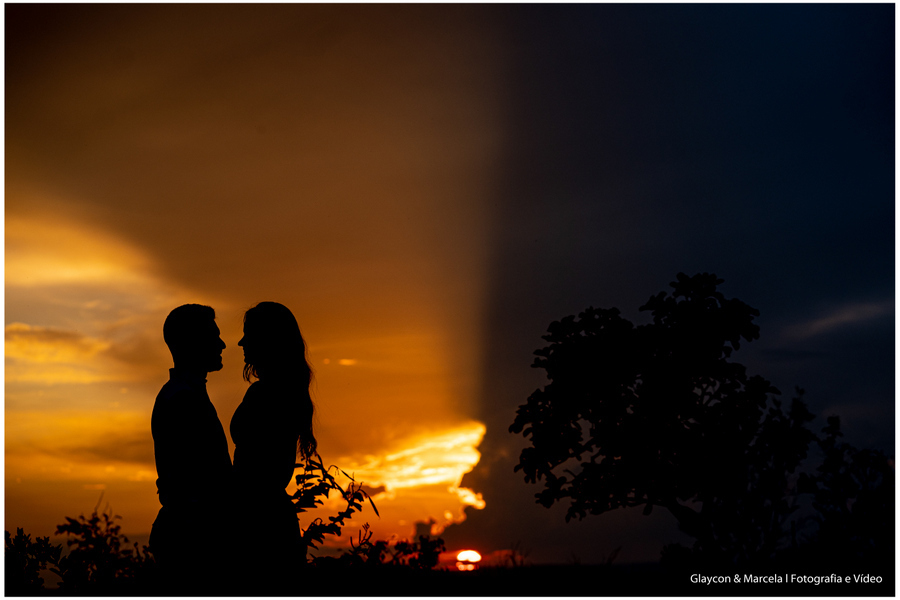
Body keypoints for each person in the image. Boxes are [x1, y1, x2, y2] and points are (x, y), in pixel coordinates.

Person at [231, 301, 317, 591]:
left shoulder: (266, 395)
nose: (241, 342)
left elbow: (257, 471)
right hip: (271, 518)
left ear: (267, 340)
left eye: (248, 334)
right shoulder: (284, 391)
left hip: (259, 523)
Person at [149, 304, 232, 594]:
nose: (222, 344)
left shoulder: (185, 395)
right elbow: (197, 480)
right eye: (214, 336)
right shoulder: (183, 400)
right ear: (193, 342)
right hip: (193, 541)